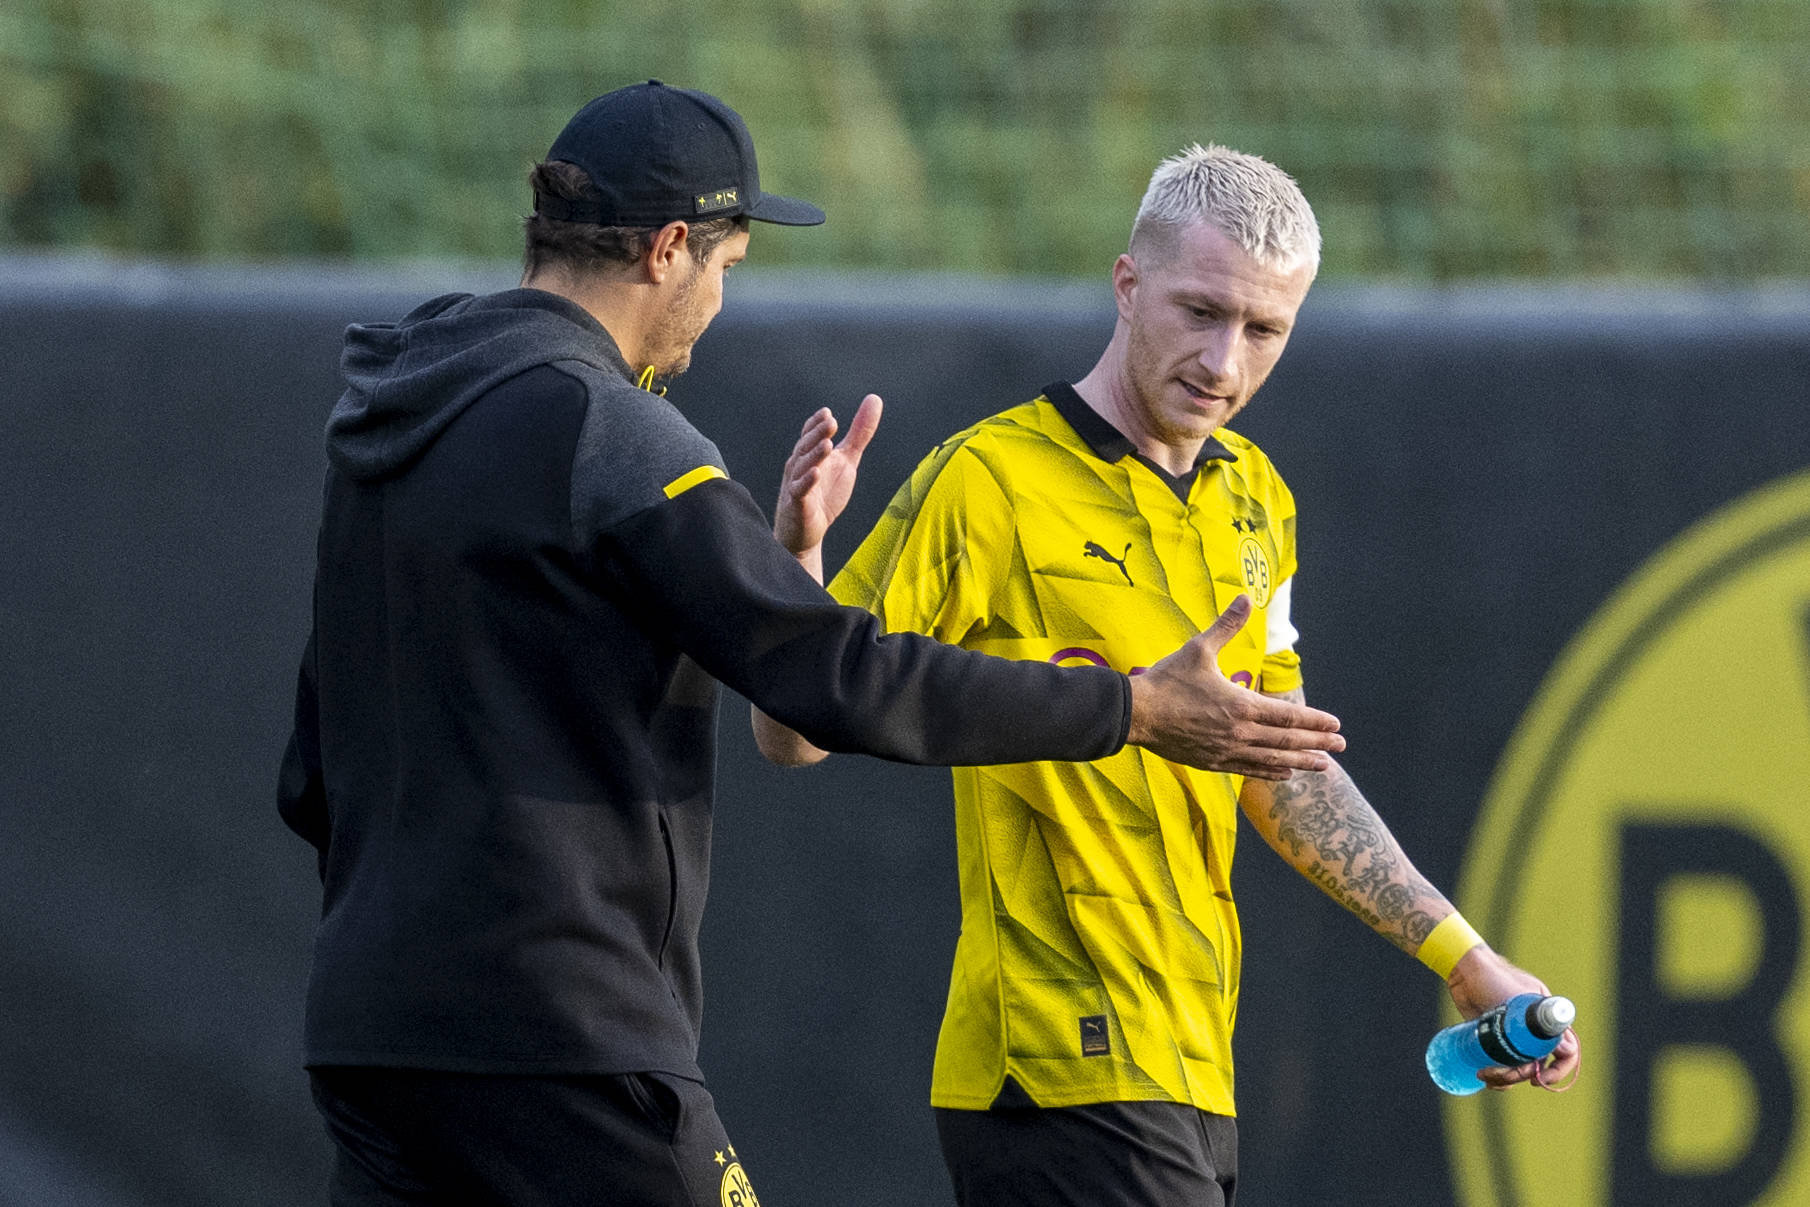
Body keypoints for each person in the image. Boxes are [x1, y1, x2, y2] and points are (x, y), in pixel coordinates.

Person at [277, 85, 1350, 1207]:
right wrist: (1130, 707)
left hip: (368, 1029)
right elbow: (834, 677)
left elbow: (313, 767)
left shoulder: (396, 428)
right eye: (728, 267)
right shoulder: (617, 432)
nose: (717, 303)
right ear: (669, 249)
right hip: (560, 1028)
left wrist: (790, 556)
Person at [753, 143, 1581, 1206]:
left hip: (1192, 1062)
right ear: (1127, 283)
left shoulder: (1256, 499)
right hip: (1053, 1060)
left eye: (1263, 329)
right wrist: (799, 559)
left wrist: (1467, 961)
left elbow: (1280, 766)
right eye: (1201, 311)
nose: (1224, 361)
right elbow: (794, 730)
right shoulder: (991, 479)